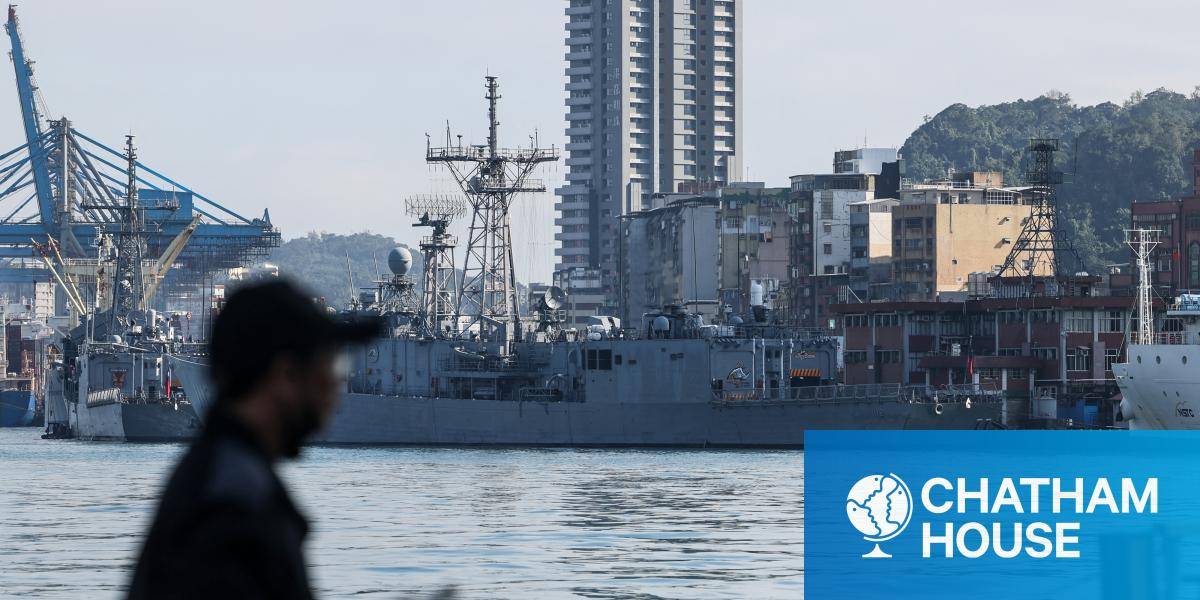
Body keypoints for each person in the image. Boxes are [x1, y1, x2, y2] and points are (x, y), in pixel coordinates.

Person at [128, 279, 382, 600]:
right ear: (285, 374)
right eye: (332, 364)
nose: (336, 383)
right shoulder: (234, 503)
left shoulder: (221, 475)